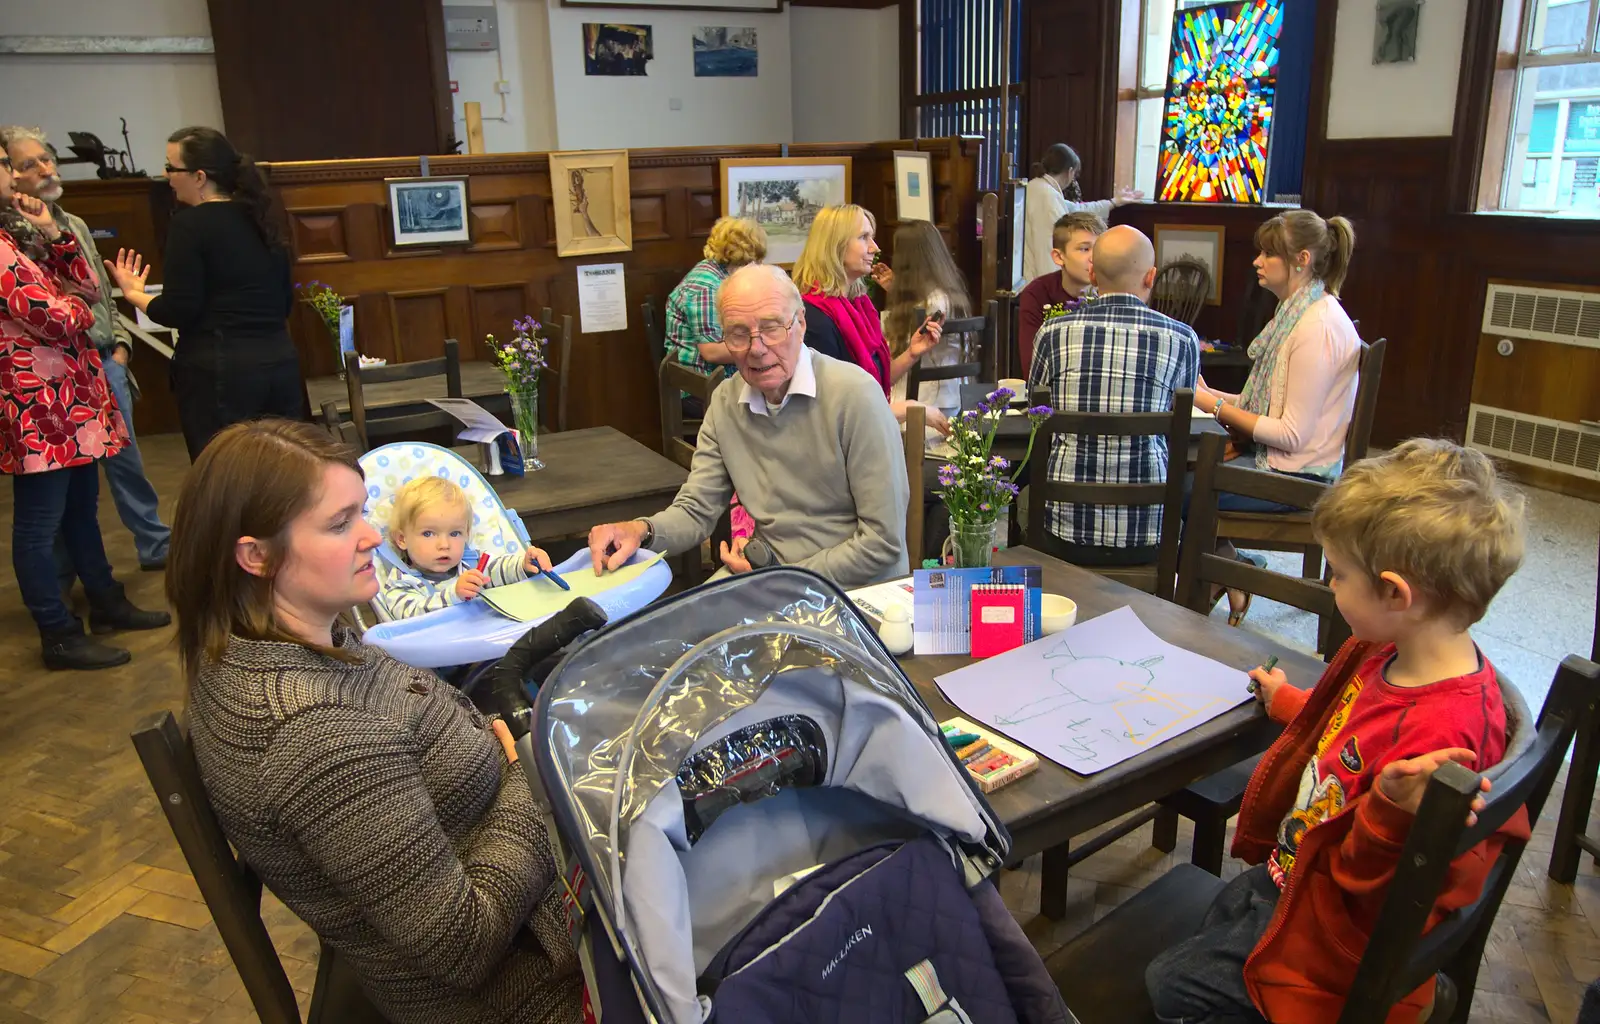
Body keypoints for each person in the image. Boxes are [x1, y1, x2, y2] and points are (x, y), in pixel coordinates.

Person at [169, 418, 583, 1024]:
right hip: (533, 986)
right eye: (340, 524)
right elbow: (463, 944)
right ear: (256, 557)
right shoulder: (312, 733)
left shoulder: (296, 644)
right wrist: (527, 778)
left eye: (362, 512)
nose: (370, 537)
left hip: (535, 913)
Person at [1145, 439, 1529, 1024]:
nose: (1330, 586)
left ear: (1397, 593)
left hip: (1342, 937)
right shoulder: (1393, 650)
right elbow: (1353, 726)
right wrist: (1292, 702)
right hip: (1300, 879)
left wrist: (1391, 815)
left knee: (1168, 984)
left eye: (1339, 574)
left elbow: (1409, 889)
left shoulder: (1443, 740)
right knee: (1222, 908)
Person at [588, 263, 909, 588]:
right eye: (738, 334)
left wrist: (780, 579)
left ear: (800, 322)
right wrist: (641, 531)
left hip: (856, 592)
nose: (756, 349)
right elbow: (697, 509)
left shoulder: (855, 395)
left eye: (771, 328)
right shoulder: (726, 403)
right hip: (768, 576)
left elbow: (881, 544)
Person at [0, 153, 170, 670]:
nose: (12, 173)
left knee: (81, 510)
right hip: (35, 405)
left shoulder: (18, 235)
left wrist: (52, 231)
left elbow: (91, 289)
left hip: (71, 397)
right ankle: (58, 632)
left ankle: (106, 601)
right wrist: (76, 307)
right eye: (4, 165)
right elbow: (55, 318)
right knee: (39, 522)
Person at [1190, 210, 1361, 624]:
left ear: (1301, 259)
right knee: (1180, 467)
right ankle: (1231, 567)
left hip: (1299, 476)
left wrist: (1210, 404)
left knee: (1176, 484)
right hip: (1290, 461)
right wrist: (1210, 393)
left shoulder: (1316, 327)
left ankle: (1232, 570)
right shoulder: (1298, 312)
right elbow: (1270, 405)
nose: (1257, 261)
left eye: (1268, 254)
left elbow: (1290, 433)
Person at [103, 126, 300, 461]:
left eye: (171, 167)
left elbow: (180, 309)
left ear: (198, 176)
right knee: (286, 471)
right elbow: (283, 301)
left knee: (227, 477)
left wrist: (134, 293)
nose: (166, 176)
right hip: (280, 363)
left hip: (222, 372)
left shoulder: (190, 225)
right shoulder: (260, 217)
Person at [1027, 225, 1199, 567]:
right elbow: (1178, 414)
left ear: (1092, 273)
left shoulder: (1053, 333)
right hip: (1149, 533)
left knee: (1022, 499)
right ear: (1151, 277)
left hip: (1064, 531)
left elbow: (1037, 413)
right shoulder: (1183, 339)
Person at [790, 204, 948, 434]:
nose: (875, 248)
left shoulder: (859, 306)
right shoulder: (815, 319)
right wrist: (910, 409)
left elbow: (870, 384)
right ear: (836, 246)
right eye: (864, 237)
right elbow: (833, 413)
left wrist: (912, 353)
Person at [373, 476, 554, 621]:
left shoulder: (472, 564)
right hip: (440, 662)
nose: (444, 545)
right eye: (428, 534)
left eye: (454, 534)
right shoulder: (401, 582)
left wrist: (524, 564)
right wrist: (453, 596)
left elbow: (500, 569)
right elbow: (411, 617)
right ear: (402, 539)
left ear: (467, 534)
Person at [663, 215, 767, 413]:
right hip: (697, 387)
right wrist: (764, 345)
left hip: (712, 380)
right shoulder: (707, 286)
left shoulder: (721, 276)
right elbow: (712, 352)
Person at [883, 218, 972, 422]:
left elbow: (897, 351)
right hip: (954, 395)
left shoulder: (931, 305)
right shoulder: (949, 294)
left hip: (924, 402)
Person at [1021, 143, 1139, 281]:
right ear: (1070, 171)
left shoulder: (1039, 187)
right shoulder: (1046, 195)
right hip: (1038, 275)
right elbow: (1049, 245)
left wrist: (1113, 202)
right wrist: (1054, 285)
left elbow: (1077, 209)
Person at [1016, 210, 1105, 372]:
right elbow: (1031, 365)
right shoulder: (1037, 294)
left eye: (1098, 249)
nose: (1094, 258)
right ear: (1059, 257)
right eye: (1084, 249)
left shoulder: (1110, 289)